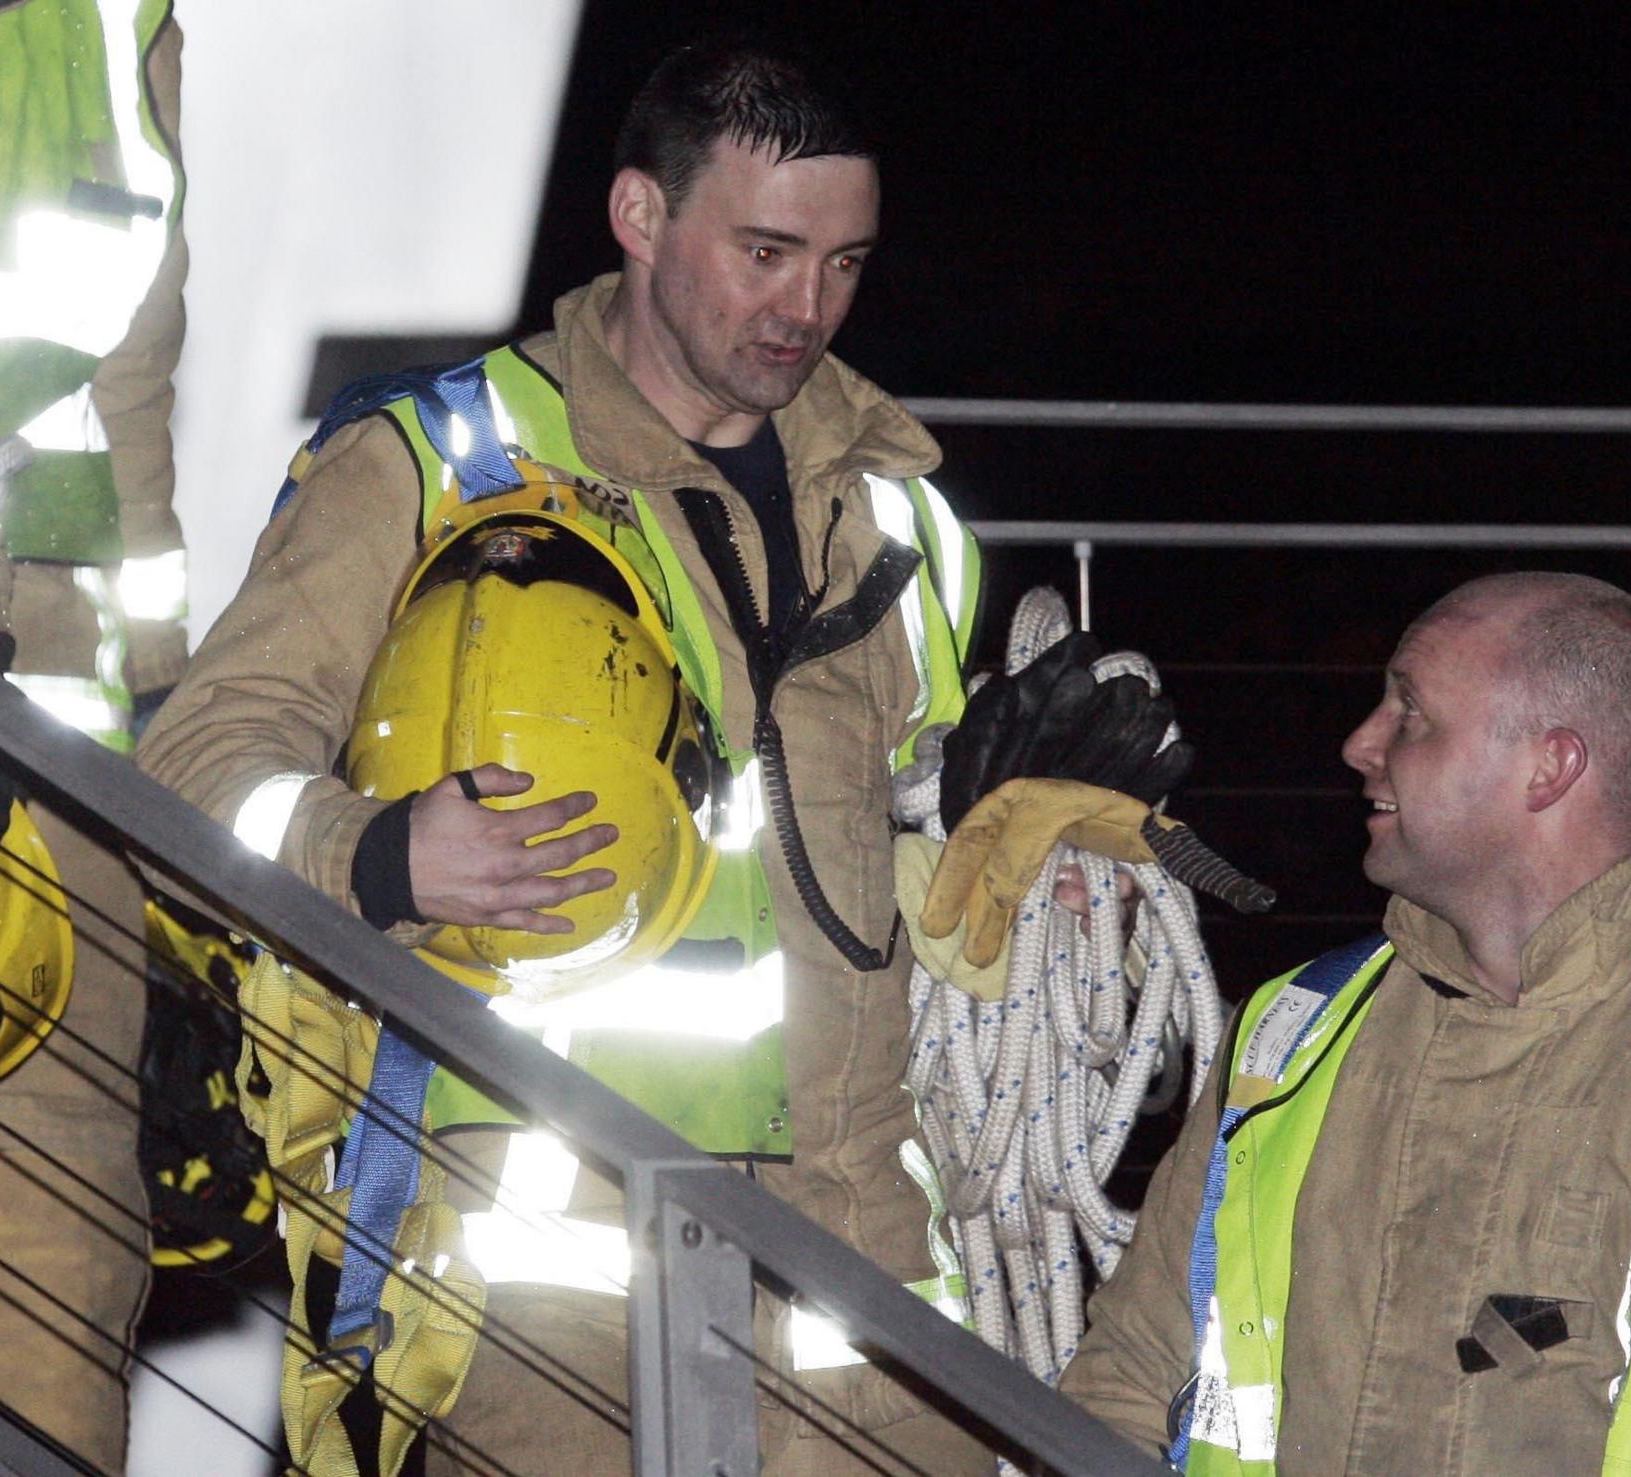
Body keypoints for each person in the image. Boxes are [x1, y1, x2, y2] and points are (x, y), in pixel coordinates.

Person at [137, 39, 995, 1476]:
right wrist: (378, 850)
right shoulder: (436, 459)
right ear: (641, 216)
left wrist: (1054, 844)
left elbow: (943, 837)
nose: (809, 309)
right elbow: (190, 766)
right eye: (769, 251)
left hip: (866, 1273)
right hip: (542, 1276)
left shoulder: (901, 516)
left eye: (846, 263)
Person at [1060, 571, 1631, 1474]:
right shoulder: (1289, 1037)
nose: (1359, 744)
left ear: (1551, 766)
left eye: (1408, 712)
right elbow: (1127, 1381)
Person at [0, 2, 188, 1469]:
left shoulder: (116, 26)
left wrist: (165, 686)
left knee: (63, 1276)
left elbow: (134, 381)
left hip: (52, 736)